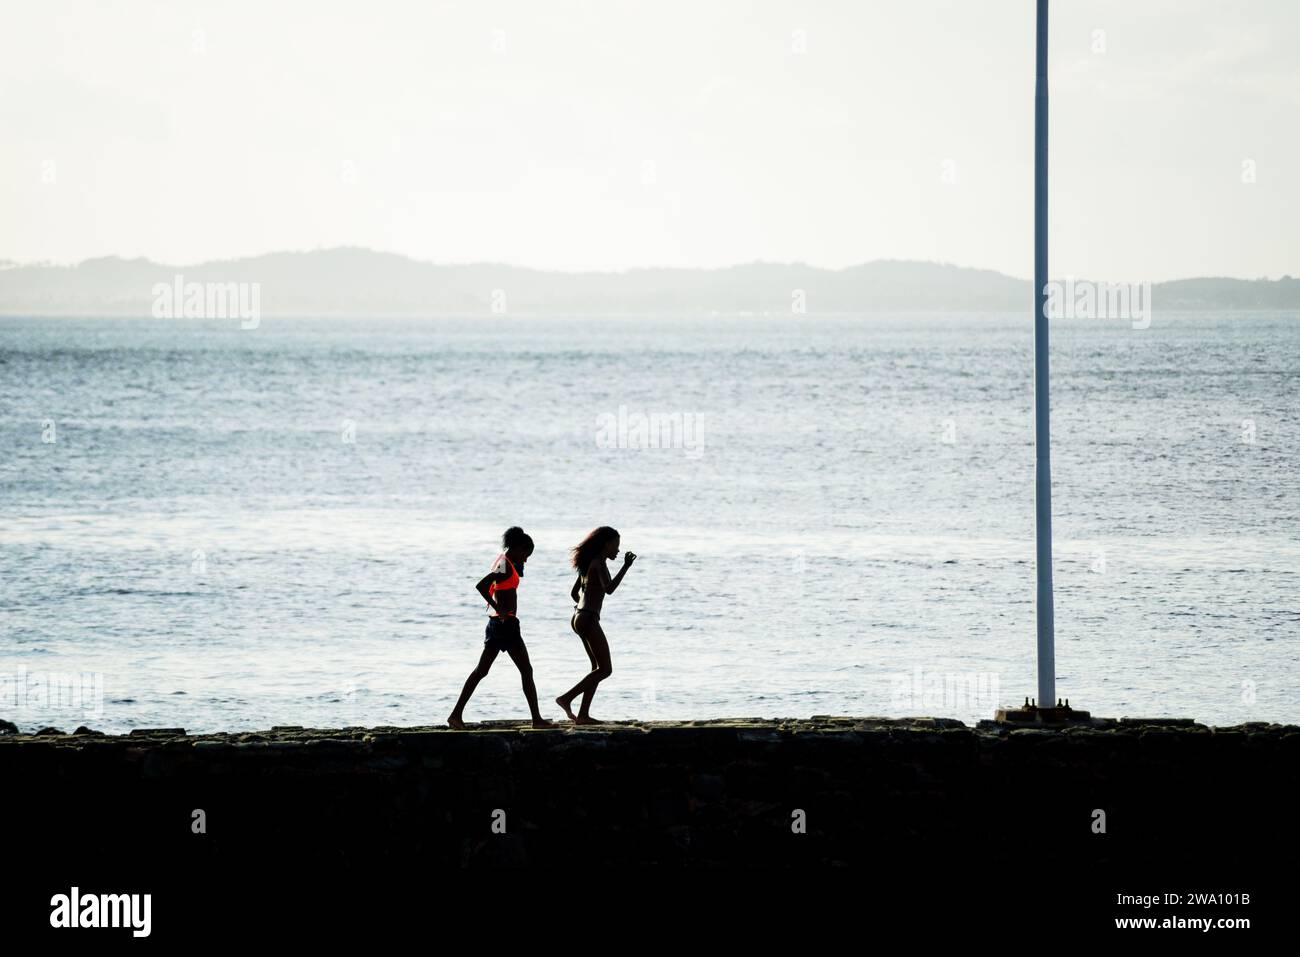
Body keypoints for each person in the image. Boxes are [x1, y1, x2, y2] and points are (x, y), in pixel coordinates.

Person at [448, 527, 554, 729]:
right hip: (506, 624)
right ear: (517, 547)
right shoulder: (504, 565)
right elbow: (481, 585)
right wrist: (500, 609)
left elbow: (506, 580)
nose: (526, 559)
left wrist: (518, 564)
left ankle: (455, 715)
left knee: (481, 671)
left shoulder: (505, 562)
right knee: (526, 670)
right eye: (526, 554)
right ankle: (537, 720)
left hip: (498, 624)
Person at [556, 526, 636, 724]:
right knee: (606, 669)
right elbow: (608, 589)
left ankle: (583, 715)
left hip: (579, 617)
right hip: (588, 618)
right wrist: (626, 567)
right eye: (615, 546)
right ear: (606, 545)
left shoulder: (587, 563)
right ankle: (566, 698)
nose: (618, 550)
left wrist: (583, 606)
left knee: (596, 668)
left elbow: (574, 593)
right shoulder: (599, 563)